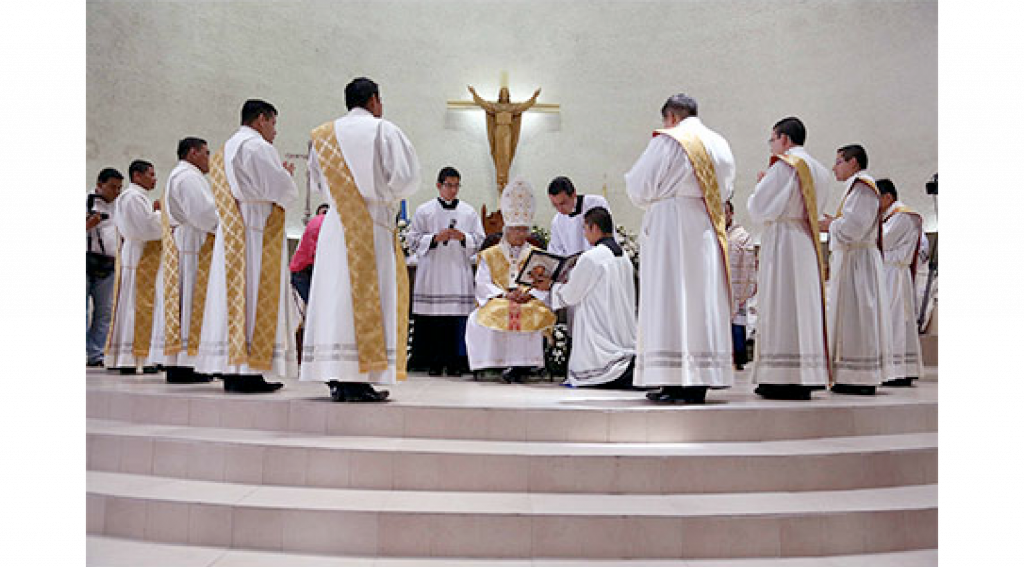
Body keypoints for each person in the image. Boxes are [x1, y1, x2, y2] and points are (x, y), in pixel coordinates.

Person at [299, 77, 421, 402]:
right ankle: (357, 378)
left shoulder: (322, 136)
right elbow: (406, 180)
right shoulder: (384, 131)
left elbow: (317, 185)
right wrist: (384, 197)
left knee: (334, 297)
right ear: (374, 100)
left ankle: (336, 374)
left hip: (336, 226)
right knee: (367, 297)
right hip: (372, 224)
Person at [624, 93, 735, 403]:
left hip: (671, 229)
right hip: (705, 227)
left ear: (671, 117)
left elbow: (639, 186)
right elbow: (726, 189)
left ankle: (674, 379)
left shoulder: (670, 140)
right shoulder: (719, 143)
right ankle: (696, 380)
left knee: (670, 298)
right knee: (698, 300)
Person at [195, 99, 300, 393]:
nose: (275, 131)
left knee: (233, 299)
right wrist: (287, 176)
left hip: (232, 230)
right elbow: (279, 188)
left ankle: (234, 369)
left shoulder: (224, 150)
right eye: (274, 124)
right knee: (253, 294)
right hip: (255, 228)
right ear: (261, 119)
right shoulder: (257, 147)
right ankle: (249, 370)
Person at [746, 117, 833, 399]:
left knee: (781, 305)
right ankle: (806, 375)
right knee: (803, 309)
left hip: (783, 241)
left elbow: (759, 208)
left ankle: (780, 378)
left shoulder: (785, 165)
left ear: (784, 139)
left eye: (772, 140)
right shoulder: (820, 170)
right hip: (806, 242)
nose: (771, 146)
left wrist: (760, 185)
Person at [820, 144, 896, 394]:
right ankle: (847, 375)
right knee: (851, 319)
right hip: (852, 260)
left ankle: (861, 377)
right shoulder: (855, 188)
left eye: (838, 162)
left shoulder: (863, 187)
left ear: (853, 162)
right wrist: (834, 223)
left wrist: (829, 225)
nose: (834, 168)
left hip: (858, 263)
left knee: (859, 318)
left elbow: (853, 228)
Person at [532, 206, 636, 388]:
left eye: (585, 228)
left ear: (594, 228)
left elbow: (571, 295)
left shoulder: (591, 258)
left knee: (600, 362)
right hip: (620, 324)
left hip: (599, 323)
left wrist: (550, 286)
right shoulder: (623, 255)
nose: (584, 234)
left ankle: (615, 372)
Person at [465, 177, 556, 383]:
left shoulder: (537, 255)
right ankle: (498, 363)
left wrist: (529, 294)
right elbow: (483, 283)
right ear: (506, 230)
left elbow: (544, 283)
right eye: (516, 229)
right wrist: (505, 295)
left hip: (528, 301)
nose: (521, 234)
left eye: (524, 229)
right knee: (488, 315)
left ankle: (524, 365)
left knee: (533, 314)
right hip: (499, 299)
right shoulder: (490, 254)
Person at [147, 137, 219, 383]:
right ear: (192, 153)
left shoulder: (181, 175)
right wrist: (228, 220)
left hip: (187, 241)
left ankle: (181, 363)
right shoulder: (188, 177)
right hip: (193, 244)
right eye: (206, 153)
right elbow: (203, 214)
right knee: (190, 299)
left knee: (184, 301)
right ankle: (187, 363)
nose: (209, 159)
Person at [406, 166, 485, 376]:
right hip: (433, 273)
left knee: (455, 320)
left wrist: (463, 238)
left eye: (456, 185)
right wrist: (434, 238)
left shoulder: (468, 212)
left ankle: (456, 363)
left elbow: (480, 241)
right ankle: (433, 362)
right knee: (434, 320)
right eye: (449, 185)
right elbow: (412, 240)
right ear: (439, 185)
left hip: (457, 272)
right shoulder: (424, 211)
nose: (453, 190)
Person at [104, 160, 163, 374]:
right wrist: (161, 214)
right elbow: (146, 228)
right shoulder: (134, 197)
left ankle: (126, 357)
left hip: (134, 253)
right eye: (151, 174)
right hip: (140, 254)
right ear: (137, 176)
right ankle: (137, 358)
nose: (155, 179)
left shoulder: (132, 197)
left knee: (130, 304)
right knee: (137, 305)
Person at [877, 178, 924, 386]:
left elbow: (883, 241)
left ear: (888, 197)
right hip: (888, 273)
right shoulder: (890, 216)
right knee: (890, 319)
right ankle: (895, 369)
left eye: (876, 199)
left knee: (895, 319)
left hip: (894, 275)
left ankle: (899, 370)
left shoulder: (903, 216)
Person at [466, 85, 542, 191]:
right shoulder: (495, 107)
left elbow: (524, 106)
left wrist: (534, 97)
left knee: (506, 154)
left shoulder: (512, 108)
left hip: (508, 132)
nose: (504, 95)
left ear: (508, 95)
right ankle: (500, 180)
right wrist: (474, 93)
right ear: (500, 95)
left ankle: (504, 179)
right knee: (499, 154)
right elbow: (483, 104)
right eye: (503, 93)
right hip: (498, 131)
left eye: (506, 93)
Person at [85, 167, 124, 367]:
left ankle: (97, 354)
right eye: (112, 187)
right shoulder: (86, 201)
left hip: (109, 263)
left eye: (119, 188)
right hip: (86, 259)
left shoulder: (121, 205)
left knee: (105, 311)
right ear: (99, 185)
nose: (116, 192)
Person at [725, 200, 757, 372]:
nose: (723, 216)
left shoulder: (741, 235)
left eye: (726, 212)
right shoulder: (713, 232)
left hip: (737, 284)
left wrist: (747, 286)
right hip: (720, 285)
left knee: (737, 323)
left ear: (731, 214)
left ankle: (739, 358)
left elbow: (748, 262)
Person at [546, 175, 614, 257]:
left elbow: (607, 236)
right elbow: (555, 251)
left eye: (563, 203)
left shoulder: (596, 203)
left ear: (574, 194)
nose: (560, 209)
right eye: (555, 205)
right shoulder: (557, 221)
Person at [290, 203, 330, 304]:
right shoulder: (323, 222)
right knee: (318, 305)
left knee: (315, 305)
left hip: (300, 270)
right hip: (305, 270)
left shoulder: (315, 222)